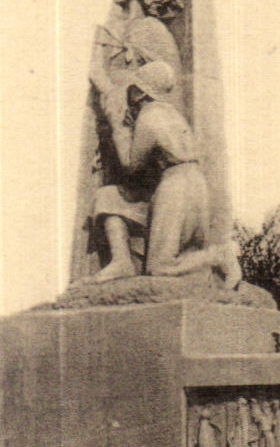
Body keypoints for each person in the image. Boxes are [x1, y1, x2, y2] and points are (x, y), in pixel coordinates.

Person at [84, 60, 241, 286]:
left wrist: (120, 129)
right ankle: (122, 261)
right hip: (191, 185)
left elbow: (131, 165)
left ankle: (218, 256)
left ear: (140, 93)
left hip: (176, 188)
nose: (129, 94)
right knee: (108, 196)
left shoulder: (149, 117)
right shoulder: (170, 113)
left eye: (132, 89)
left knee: (160, 266)